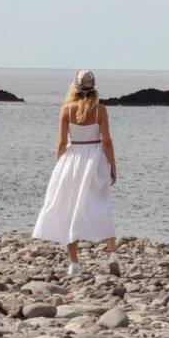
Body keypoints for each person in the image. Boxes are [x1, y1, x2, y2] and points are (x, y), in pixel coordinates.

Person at [32, 69, 120, 277]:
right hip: (95, 159)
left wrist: (59, 164)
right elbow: (106, 141)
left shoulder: (66, 110)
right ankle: (113, 254)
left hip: (72, 160)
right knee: (101, 205)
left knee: (70, 207)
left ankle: (74, 263)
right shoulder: (101, 111)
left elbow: (62, 142)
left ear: (75, 87)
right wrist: (113, 166)